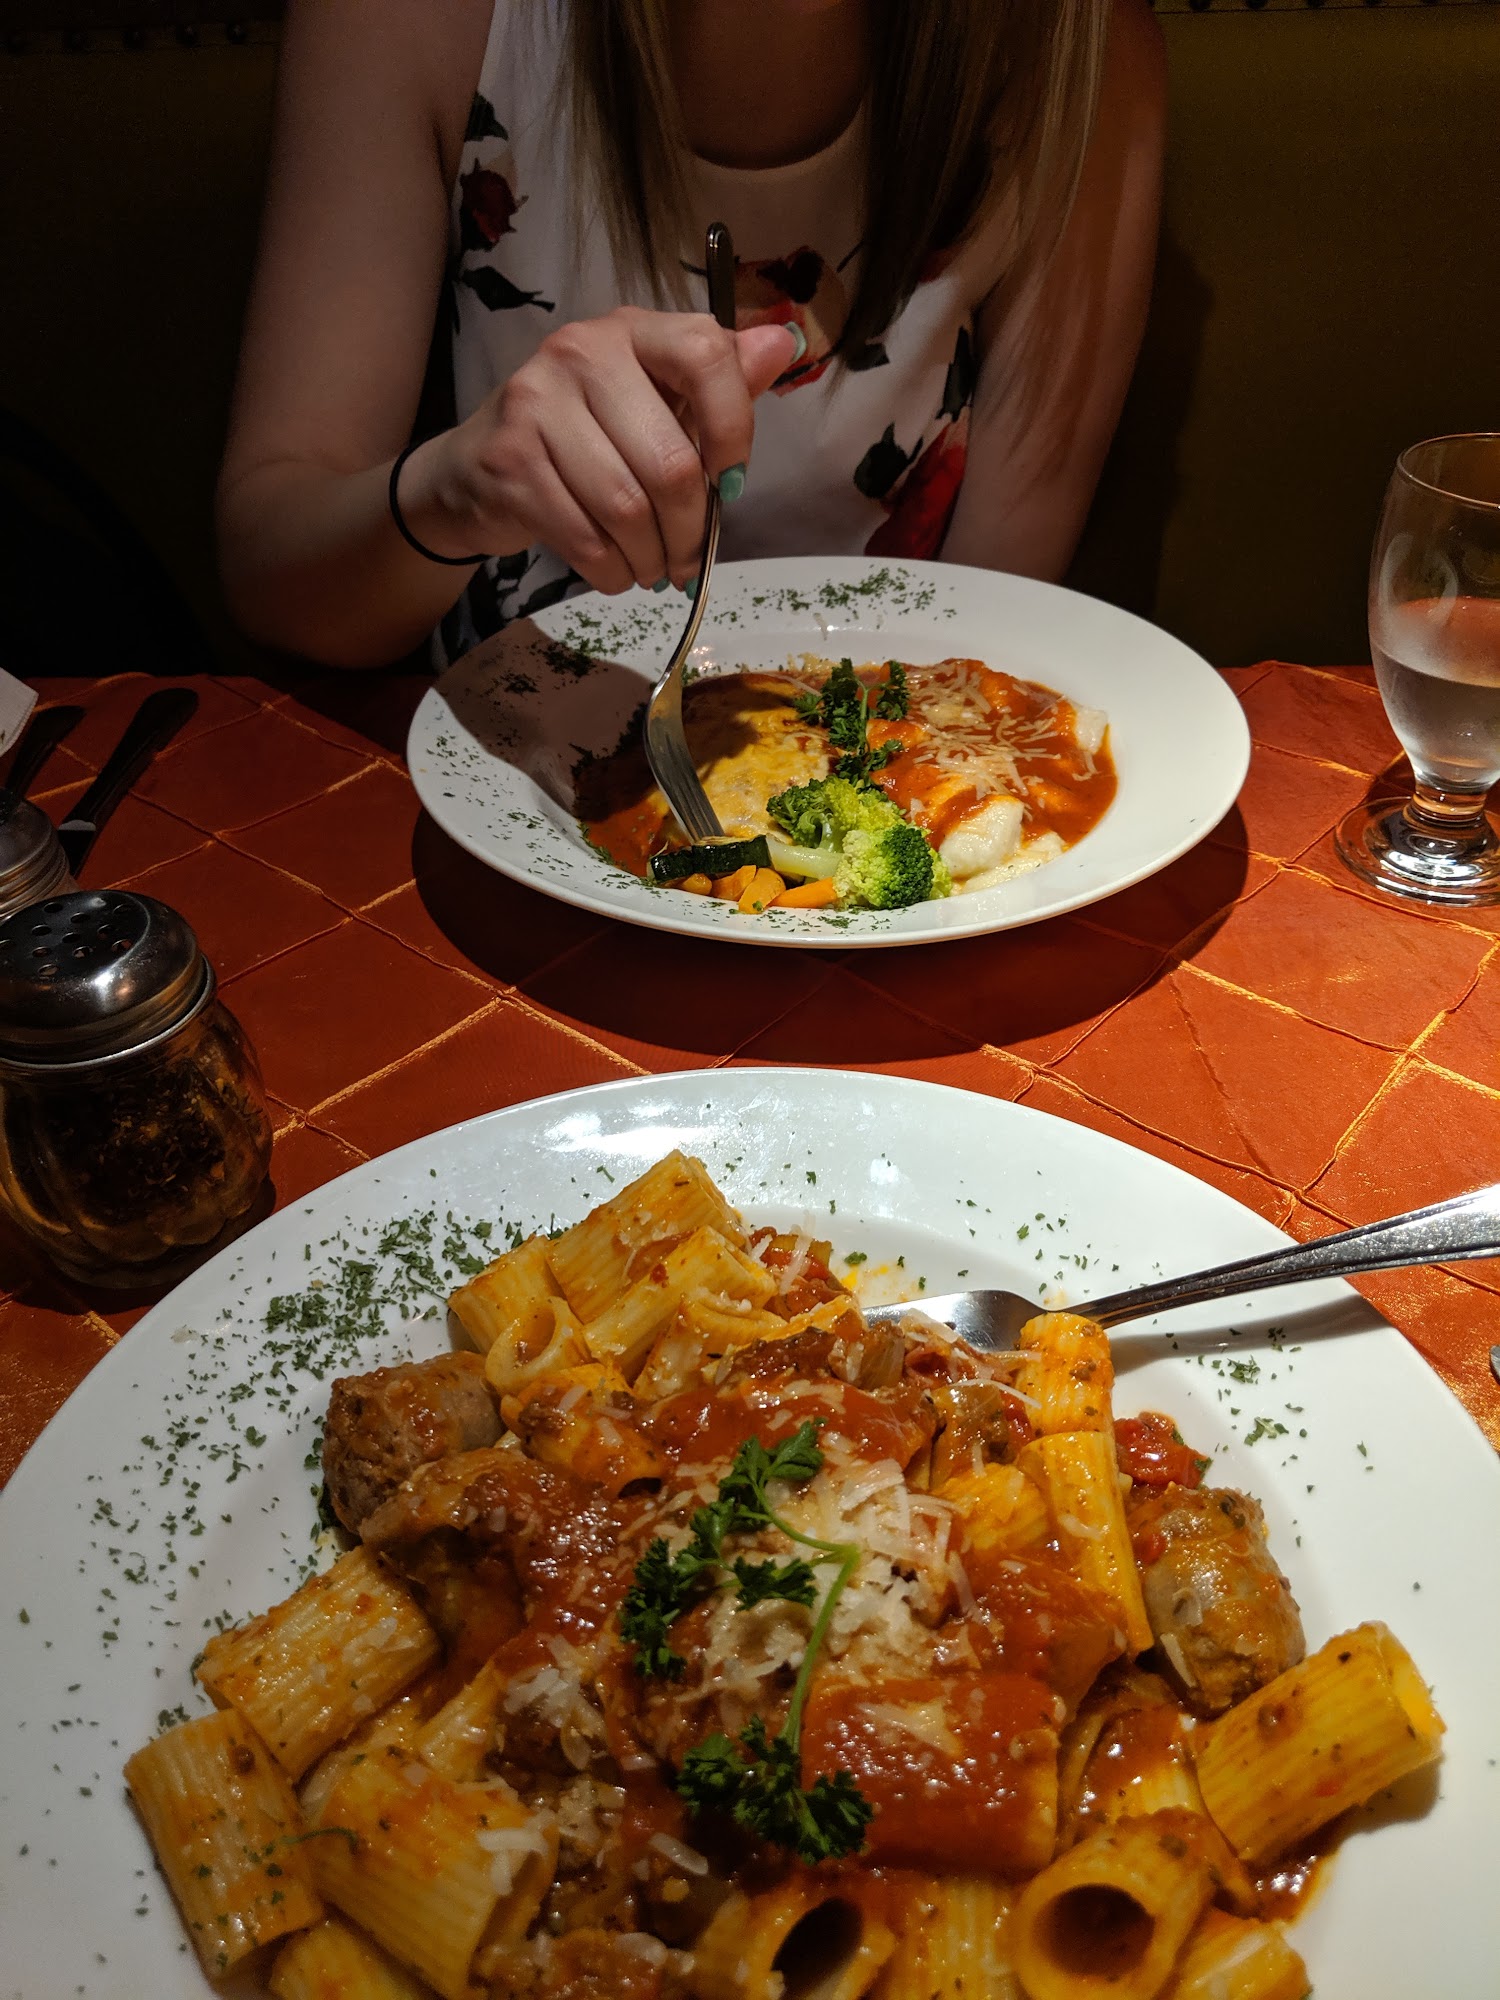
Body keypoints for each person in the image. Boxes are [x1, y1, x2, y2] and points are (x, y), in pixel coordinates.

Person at [216, 0, 1165, 669]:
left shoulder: (1071, 46)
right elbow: (273, 579)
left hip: (890, 771)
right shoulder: (414, 20)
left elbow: (986, 640)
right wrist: (456, 491)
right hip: (499, 783)